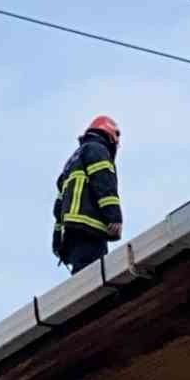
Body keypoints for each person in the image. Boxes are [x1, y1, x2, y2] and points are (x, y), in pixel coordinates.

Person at [52, 115, 123, 274]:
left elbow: (58, 207)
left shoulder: (72, 161)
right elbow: (104, 182)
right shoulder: (97, 150)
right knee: (96, 278)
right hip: (89, 228)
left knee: (82, 280)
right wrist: (114, 217)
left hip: (72, 232)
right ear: (110, 136)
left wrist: (57, 240)